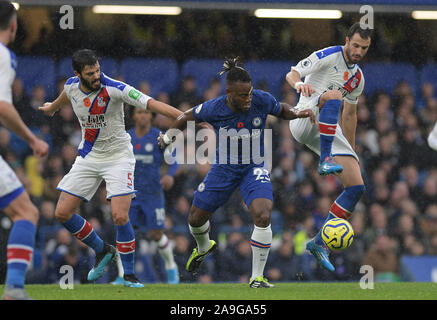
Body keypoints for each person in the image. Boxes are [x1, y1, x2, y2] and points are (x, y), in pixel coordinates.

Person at [158, 57, 315, 288]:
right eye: (243, 95)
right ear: (229, 93)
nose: (249, 98)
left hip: (254, 166)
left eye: (250, 93)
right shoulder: (215, 107)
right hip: (224, 168)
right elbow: (185, 116)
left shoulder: (261, 99)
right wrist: (167, 137)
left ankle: (257, 277)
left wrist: (299, 111)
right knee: (195, 218)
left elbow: (282, 109)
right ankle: (203, 246)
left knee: (263, 214)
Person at [39, 49, 182, 288]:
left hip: (118, 158)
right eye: (90, 73)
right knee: (62, 213)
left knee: (119, 215)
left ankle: (128, 275)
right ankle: (103, 250)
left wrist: (186, 116)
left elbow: (152, 103)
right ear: (77, 74)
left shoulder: (115, 88)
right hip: (89, 155)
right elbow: (65, 96)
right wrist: (52, 107)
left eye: (97, 70)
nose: (96, 76)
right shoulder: (72, 86)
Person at [285, 22, 371, 272]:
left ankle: (319, 242)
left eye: (363, 47)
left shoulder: (358, 78)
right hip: (304, 118)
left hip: (327, 124)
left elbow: (350, 115)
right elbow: (291, 73)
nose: (358, 51)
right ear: (347, 40)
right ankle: (325, 158)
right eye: (355, 45)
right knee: (333, 96)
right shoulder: (328, 55)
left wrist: (352, 153)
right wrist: (298, 85)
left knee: (356, 187)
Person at [0, 1, 49, 300]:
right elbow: (3, 108)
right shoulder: (3, 55)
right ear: (14, 25)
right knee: (26, 212)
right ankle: (14, 289)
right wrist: (32, 139)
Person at [112, 107, 180, 285]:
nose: (143, 115)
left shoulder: (159, 137)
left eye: (146, 113)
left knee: (156, 234)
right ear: (133, 116)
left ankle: (172, 268)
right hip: (129, 193)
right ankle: (122, 275)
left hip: (152, 194)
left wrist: (169, 175)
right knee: (125, 231)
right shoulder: (126, 137)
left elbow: (173, 161)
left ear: (151, 116)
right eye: (139, 112)